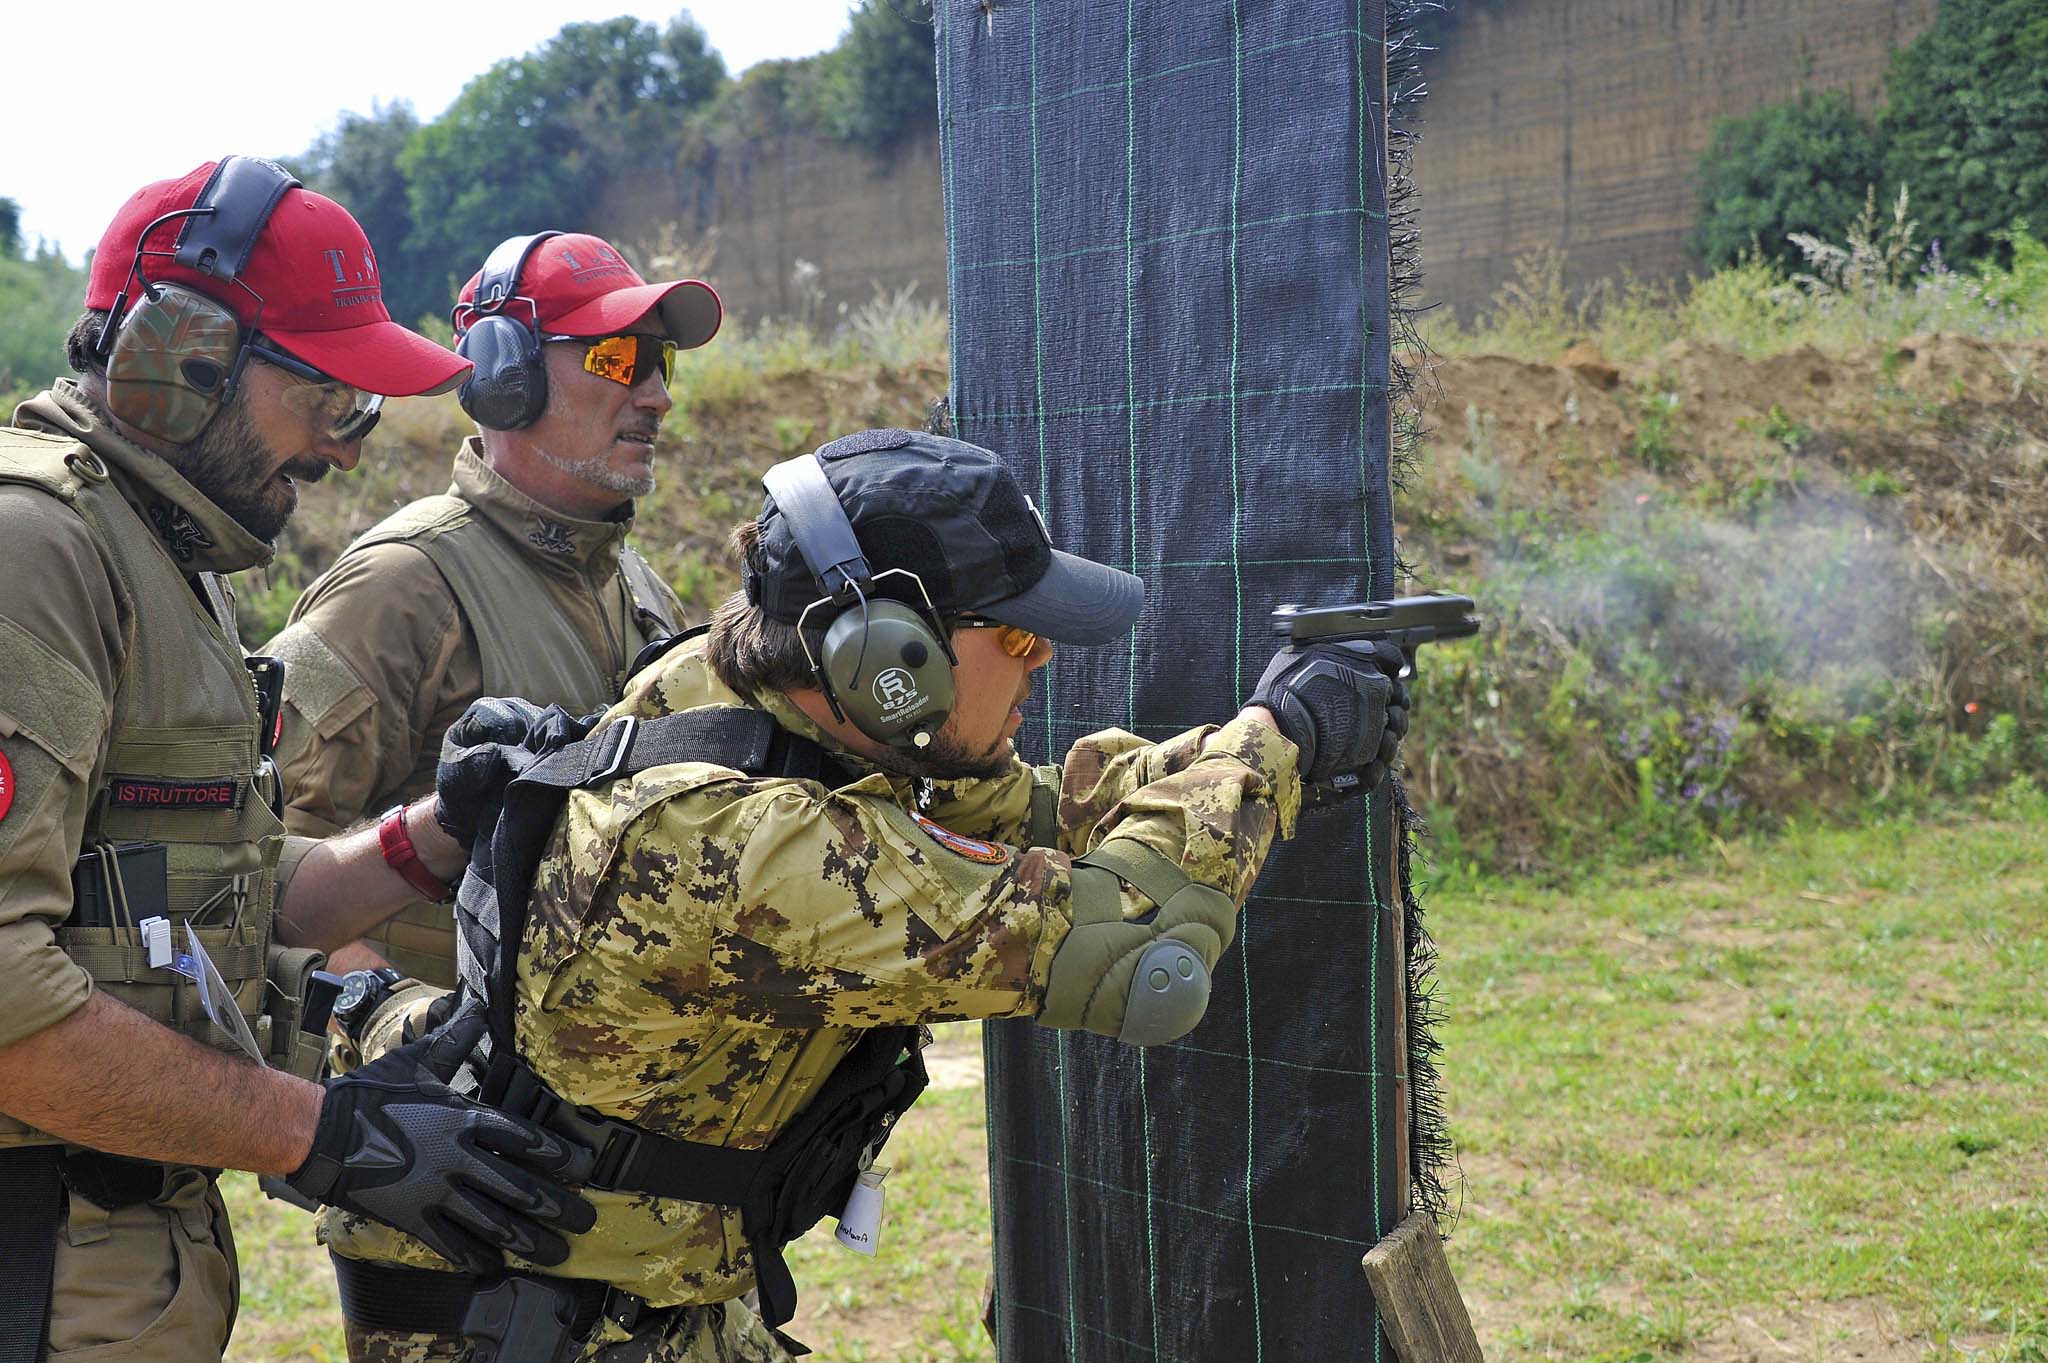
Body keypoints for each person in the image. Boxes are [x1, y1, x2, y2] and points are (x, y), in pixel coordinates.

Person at [326, 427, 1410, 1362]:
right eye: (1019, 638)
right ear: (891, 657)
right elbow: (1145, 960)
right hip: (531, 1323)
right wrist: (1272, 747)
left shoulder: (759, 694)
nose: (1036, 668)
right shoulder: (742, 848)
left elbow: (1033, 814)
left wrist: (1269, 744)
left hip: (644, 1297)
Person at [0, 158, 595, 1363]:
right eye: (329, 400)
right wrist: (329, 1134)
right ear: (180, 359)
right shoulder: (35, 554)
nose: (347, 450)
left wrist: (433, 834)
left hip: (112, 1247)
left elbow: (217, 887)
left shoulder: (166, 557)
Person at [265, 231, 715, 1000]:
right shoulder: (401, 586)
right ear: (508, 375)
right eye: (619, 359)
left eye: (661, 362)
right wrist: (409, 1042)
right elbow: (262, 868)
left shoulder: (636, 586)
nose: (656, 396)